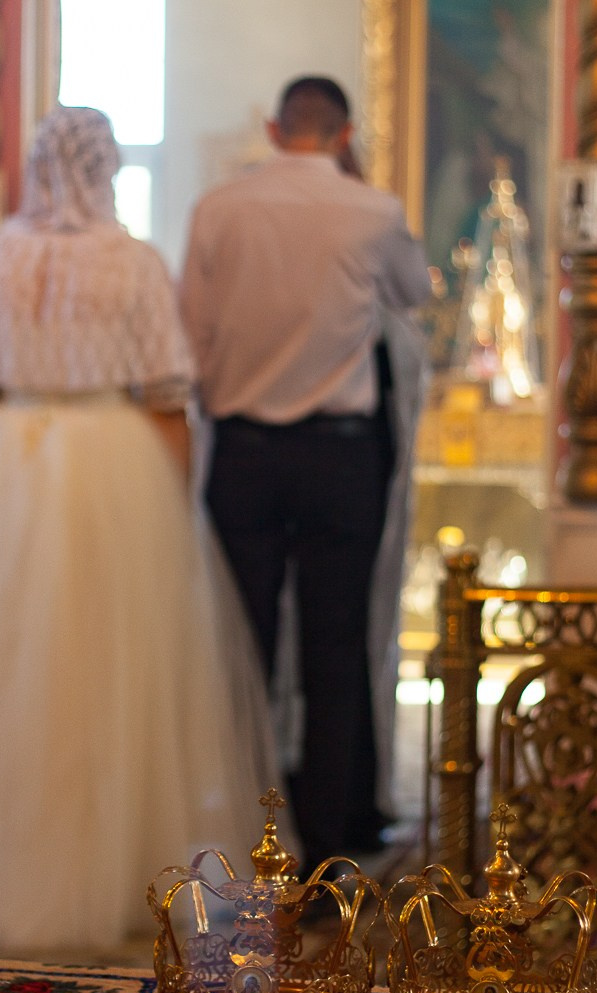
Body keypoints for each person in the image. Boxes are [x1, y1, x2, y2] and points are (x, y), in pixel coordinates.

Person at [0, 106, 276, 957]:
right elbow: (164, 394)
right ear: (105, 167)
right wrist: (174, 509)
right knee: (107, 673)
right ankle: (111, 877)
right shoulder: (134, 262)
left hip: (4, 464)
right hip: (112, 465)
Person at [179, 76, 432, 872]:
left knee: (240, 646)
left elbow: (195, 331)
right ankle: (324, 843)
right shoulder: (371, 210)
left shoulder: (218, 209)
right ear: (345, 132)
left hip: (245, 453)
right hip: (338, 455)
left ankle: (237, 829)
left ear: (271, 126)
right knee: (332, 647)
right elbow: (416, 293)